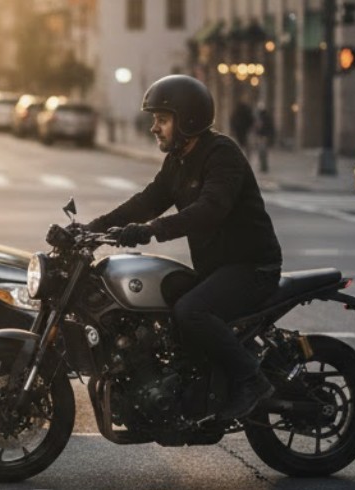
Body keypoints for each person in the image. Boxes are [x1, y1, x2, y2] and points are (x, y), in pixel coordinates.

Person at [84, 75, 283, 420]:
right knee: (164, 309)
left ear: (187, 120)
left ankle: (252, 380)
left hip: (251, 268)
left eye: (162, 120)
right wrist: (92, 228)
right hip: (216, 269)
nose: (154, 128)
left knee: (191, 310)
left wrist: (151, 230)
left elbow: (211, 208)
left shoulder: (222, 155)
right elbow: (148, 200)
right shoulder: (178, 160)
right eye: (154, 120)